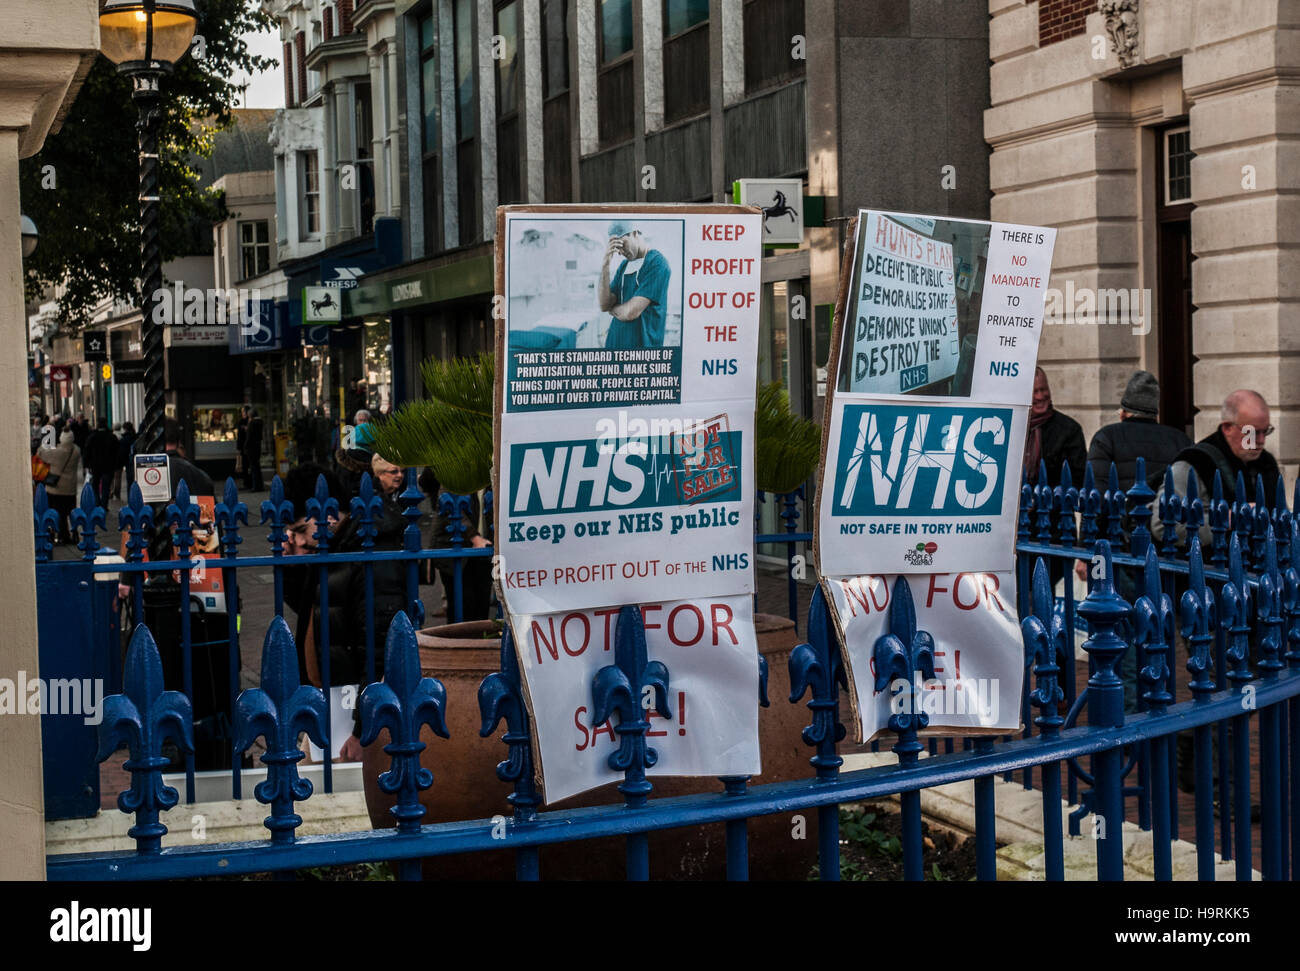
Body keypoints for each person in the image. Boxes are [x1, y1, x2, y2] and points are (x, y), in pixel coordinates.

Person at [1156, 389, 1280, 550]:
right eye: (1252, 432)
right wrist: (1226, 520)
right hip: (1212, 568)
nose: (1261, 440)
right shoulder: (1194, 463)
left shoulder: (1266, 462)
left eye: (1266, 431)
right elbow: (1164, 526)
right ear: (1228, 427)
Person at [1086, 370, 1191, 490]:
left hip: (1122, 507)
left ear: (1124, 413)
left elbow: (1097, 487)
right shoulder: (1180, 440)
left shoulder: (1106, 437)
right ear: (1155, 412)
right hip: (1162, 507)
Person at [422, 469, 493, 623]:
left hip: (485, 551)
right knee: (461, 608)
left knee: (481, 610)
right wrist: (474, 537)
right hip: (455, 550)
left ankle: (479, 646)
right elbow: (452, 509)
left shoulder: (493, 478)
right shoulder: (456, 474)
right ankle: (457, 646)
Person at [599, 222, 672, 350]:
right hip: (615, 344)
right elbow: (604, 304)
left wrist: (613, 309)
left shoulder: (657, 264)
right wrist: (605, 266)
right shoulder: (624, 266)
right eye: (617, 248)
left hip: (642, 349)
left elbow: (630, 313)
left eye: (622, 244)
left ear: (634, 233)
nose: (621, 252)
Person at [1024, 366, 1086, 489]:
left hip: (1052, 506)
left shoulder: (1069, 429)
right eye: (1034, 391)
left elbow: (1077, 478)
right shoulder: (1011, 427)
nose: (1040, 396)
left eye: (1044, 389)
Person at [39, 428, 82, 544]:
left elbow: (41, 453)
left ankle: (59, 535)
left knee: (57, 513)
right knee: (70, 513)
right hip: (70, 489)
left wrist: (46, 441)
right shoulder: (76, 450)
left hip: (56, 489)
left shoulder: (57, 452)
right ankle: (74, 534)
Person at [83, 417, 118, 509]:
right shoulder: (111, 437)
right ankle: (104, 504)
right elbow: (116, 451)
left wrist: (86, 464)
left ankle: (97, 501)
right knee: (106, 487)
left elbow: (87, 451)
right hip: (108, 466)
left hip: (95, 466)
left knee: (95, 484)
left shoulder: (92, 437)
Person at [240, 406, 265, 492]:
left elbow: (249, 437)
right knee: (257, 467)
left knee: (253, 468)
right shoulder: (260, 422)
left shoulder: (252, 423)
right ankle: (259, 485)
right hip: (257, 447)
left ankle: (255, 486)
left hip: (251, 448)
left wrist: (245, 447)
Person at [113, 421, 136, 500]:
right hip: (134, 460)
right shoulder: (135, 437)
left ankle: (130, 497)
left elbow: (122, 452)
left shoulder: (124, 439)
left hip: (127, 461)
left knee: (129, 480)